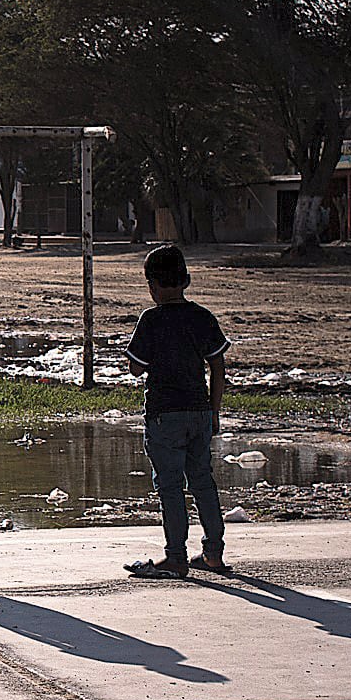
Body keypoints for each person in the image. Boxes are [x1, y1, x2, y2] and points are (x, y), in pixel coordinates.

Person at [124, 244, 232, 579]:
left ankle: (176, 556)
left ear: (151, 286)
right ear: (186, 280)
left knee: (170, 486)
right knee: (203, 482)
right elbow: (218, 365)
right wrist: (214, 412)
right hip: (199, 412)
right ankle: (213, 554)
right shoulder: (202, 317)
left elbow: (135, 369)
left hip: (164, 414)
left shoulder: (151, 320)